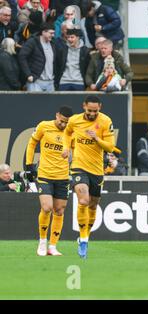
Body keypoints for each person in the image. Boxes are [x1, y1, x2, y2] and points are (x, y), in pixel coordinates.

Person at [62, 95, 117, 259]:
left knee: (93, 206)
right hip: (79, 166)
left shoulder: (106, 121)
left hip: (97, 170)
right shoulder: (74, 120)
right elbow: (66, 133)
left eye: (95, 111)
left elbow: (110, 146)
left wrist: (96, 138)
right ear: (84, 106)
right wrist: (66, 148)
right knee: (83, 201)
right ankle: (84, 239)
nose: (92, 113)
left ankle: (84, 236)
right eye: (89, 110)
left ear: (99, 107)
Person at [25, 105, 73, 256]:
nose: (63, 125)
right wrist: (28, 164)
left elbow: (78, 151)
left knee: (59, 210)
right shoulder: (44, 126)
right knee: (46, 207)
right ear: (57, 115)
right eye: (62, 121)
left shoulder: (71, 132)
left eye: (67, 122)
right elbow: (32, 143)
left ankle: (53, 246)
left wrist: (71, 155)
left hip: (63, 176)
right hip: (45, 174)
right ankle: (42, 242)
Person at [18, 22, 56, 92]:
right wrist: (28, 75)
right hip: (36, 81)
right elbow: (22, 57)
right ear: (43, 32)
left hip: (50, 82)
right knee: (34, 103)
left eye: (53, 33)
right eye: (51, 33)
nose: (53, 35)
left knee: (51, 103)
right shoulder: (32, 42)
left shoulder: (53, 43)